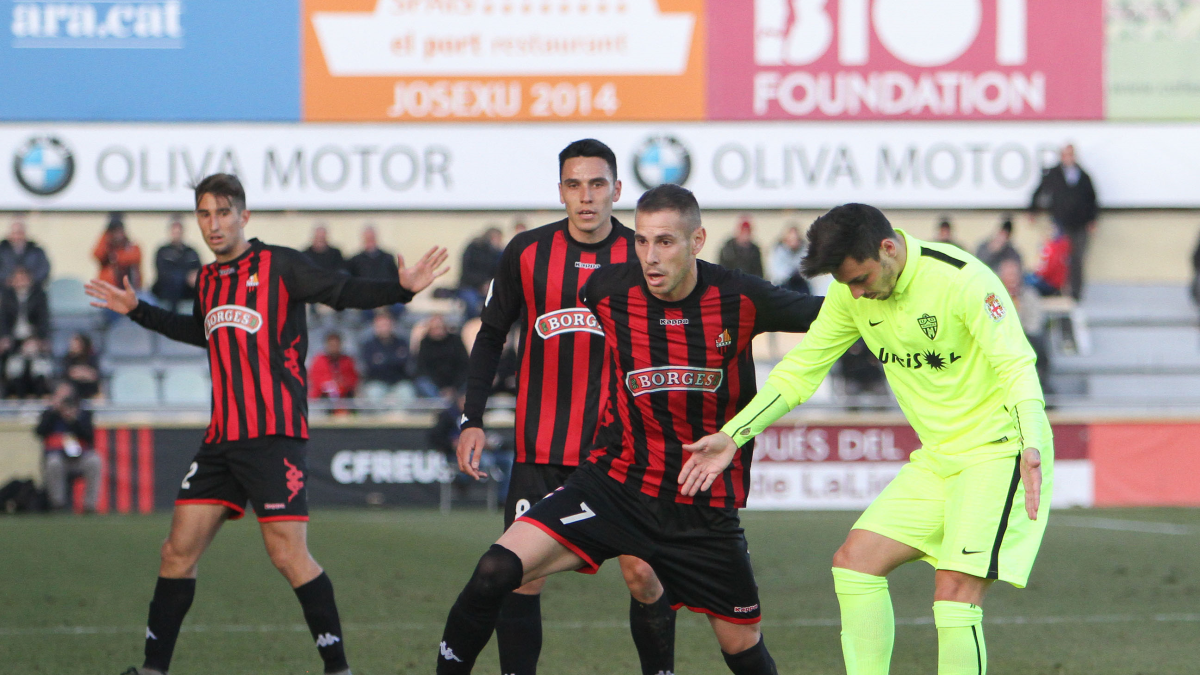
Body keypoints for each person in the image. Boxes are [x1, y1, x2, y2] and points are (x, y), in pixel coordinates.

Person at [440, 184, 823, 675]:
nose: (650, 256)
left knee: (742, 644)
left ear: (697, 241)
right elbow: (522, 328)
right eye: (642, 241)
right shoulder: (606, 290)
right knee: (495, 568)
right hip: (615, 486)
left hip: (700, 506)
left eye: (665, 241)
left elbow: (831, 316)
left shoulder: (740, 296)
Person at [85, 173, 448, 675]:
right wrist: (138, 311)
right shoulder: (207, 280)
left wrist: (399, 289)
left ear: (244, 216)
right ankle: (152, 670)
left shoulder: (280, 265)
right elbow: (202, 331)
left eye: (222, 213)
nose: (213, 224)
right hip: (221, 440)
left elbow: (341, 291)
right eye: (204, 214)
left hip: (273, 435)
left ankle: (338, 669)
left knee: (288, 556)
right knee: (175, 553)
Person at [684, 203, 1052, 675]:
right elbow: (800, 370)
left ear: (888, 248)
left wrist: (1032, 440)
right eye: (846, 284)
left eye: (861, 279)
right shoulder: (850, 295)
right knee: (855, 563)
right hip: (938, 459)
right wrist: (734, 434)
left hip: (1000, 452)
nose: (856, 293)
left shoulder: (963, 280)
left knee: (955, 594)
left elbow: (1016, 365)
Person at [455, 138, 673, 675]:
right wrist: (472, 418)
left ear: (617, 190)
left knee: (644, 575)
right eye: (574, 185)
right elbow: (490, 335)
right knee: (520, 579)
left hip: (624, 457)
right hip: (541, 449)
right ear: (560, 191)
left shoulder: (643, 254)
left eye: (597, 184)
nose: (586, 196)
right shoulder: (526, 252)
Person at [1028, 144, 1098, 300]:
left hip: (1080, 224)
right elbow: (1040, 190)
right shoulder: (1054, 174)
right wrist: (1032, 210)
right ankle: (1059, 290)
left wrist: (1092, 219)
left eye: (1071, 155)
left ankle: (1076, 293)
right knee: (1059, 257)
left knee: (1077, 259)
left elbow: (1092, 198)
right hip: (1061, 223)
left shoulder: (1083, 176)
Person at [37, 381, 101, 512]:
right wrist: (54, 412)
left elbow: (90, 437)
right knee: (53, 463)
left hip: (79, 457)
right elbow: (40, 432)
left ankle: (89, 505)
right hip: (58, 457)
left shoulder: (84, 414)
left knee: (95, 461)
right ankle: (57, 504)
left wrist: (74, 420)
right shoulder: (50, 414)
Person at [999, 258, 1051, 395]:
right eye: (1009, 275)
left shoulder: (1029, 294)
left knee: (1039, 343)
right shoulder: (995, 297)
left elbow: (1035, 322)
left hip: (1026, 338)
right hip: (1001, 339)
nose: (1012, 278)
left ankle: (1039, 385)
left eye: (1014, 274)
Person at [1, 266, 53, 398]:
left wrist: (38, 339)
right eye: (17, 279)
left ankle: (40, 394)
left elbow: (43, 320)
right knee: (14, 366)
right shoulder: (7, 297)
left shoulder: (39, 296)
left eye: (23, 278)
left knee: (39, 365)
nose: (20, 282)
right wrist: (4, 337)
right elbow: (4, 320)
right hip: (14, 340)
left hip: (33, 338)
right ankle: (14, 395)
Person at [151, 216, 202, 312]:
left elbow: (199, 271)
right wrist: (186, 277)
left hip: (188, 293)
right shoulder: (163, 251)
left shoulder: (191, 252)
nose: (176, 234)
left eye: (179, 231)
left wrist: (195, 276)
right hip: (167, 294)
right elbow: (163, 273)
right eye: (174, 231)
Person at [358, 312, 412, 399]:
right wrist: (393, 360)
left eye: (386, 325)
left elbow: (406, 363)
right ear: (375, 327)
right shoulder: (369, 345)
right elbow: (370, 367)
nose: (384, 328)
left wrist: (383, 361)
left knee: (407, 392)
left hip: (399, 381)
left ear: (392, 325)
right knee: (374, 394)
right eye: (381, 326)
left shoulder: (402, 343)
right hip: (377, 382)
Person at [414, 314, 468, 398]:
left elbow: (464, 366)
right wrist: (441, 389)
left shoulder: (456, 341)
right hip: (435, 386)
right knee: (422, 382)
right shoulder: (425, 343)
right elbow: (423, 369)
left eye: (440, 327)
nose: (438, 331)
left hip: (456, 383)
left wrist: (454, 387)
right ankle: (442, 402)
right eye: (435, 328)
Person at [458, 226, 504, 319]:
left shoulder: (498, 253)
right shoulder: (473, 249)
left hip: (489, 287)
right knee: (472, 304)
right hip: (470, 286)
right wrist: (482, 284)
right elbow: (467, 273)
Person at [94, 214, 143, 289]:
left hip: (129, 289)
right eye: (113, 232)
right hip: (108, 289)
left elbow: (132, 258)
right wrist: (106, 237)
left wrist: (115, 255)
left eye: (118, 231)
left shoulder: (131, 247)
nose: (116, 235)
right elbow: (97, 254)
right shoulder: (106, 245)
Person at [0, 217, 51, 288]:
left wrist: (29, 280)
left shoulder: (36, 251)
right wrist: (9, 280)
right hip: (5, 289)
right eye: (15, 233)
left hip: (32, 290)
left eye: (20, 233)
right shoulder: (2, 251)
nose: (17, 237)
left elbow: (44, 269)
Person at [309, 331, 359, 402]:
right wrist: (329, 385)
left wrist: (341, 384)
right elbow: (315, 380)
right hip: (323, 396)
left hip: (345, 397)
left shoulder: (347, 361)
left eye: (336, 345)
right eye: (331, 345)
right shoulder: (319, 361)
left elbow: (353, 379)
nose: (334, 348)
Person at [766, 224, 810, 294]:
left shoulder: (804, 251)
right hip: (782, 285)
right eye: (791, 239)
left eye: (795, 239)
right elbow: (775, 272)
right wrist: (790, 273)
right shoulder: (778, 251)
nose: (793, 242)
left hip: (800, 285)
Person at [62, 333, 101, 400]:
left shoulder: (92, 357)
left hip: (90, 388)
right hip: (74, 388)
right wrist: (85, 372)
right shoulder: (67, 358)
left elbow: (94, 375)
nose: (73, 347)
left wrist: (81, 373)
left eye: (76, 344)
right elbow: (71, 374)